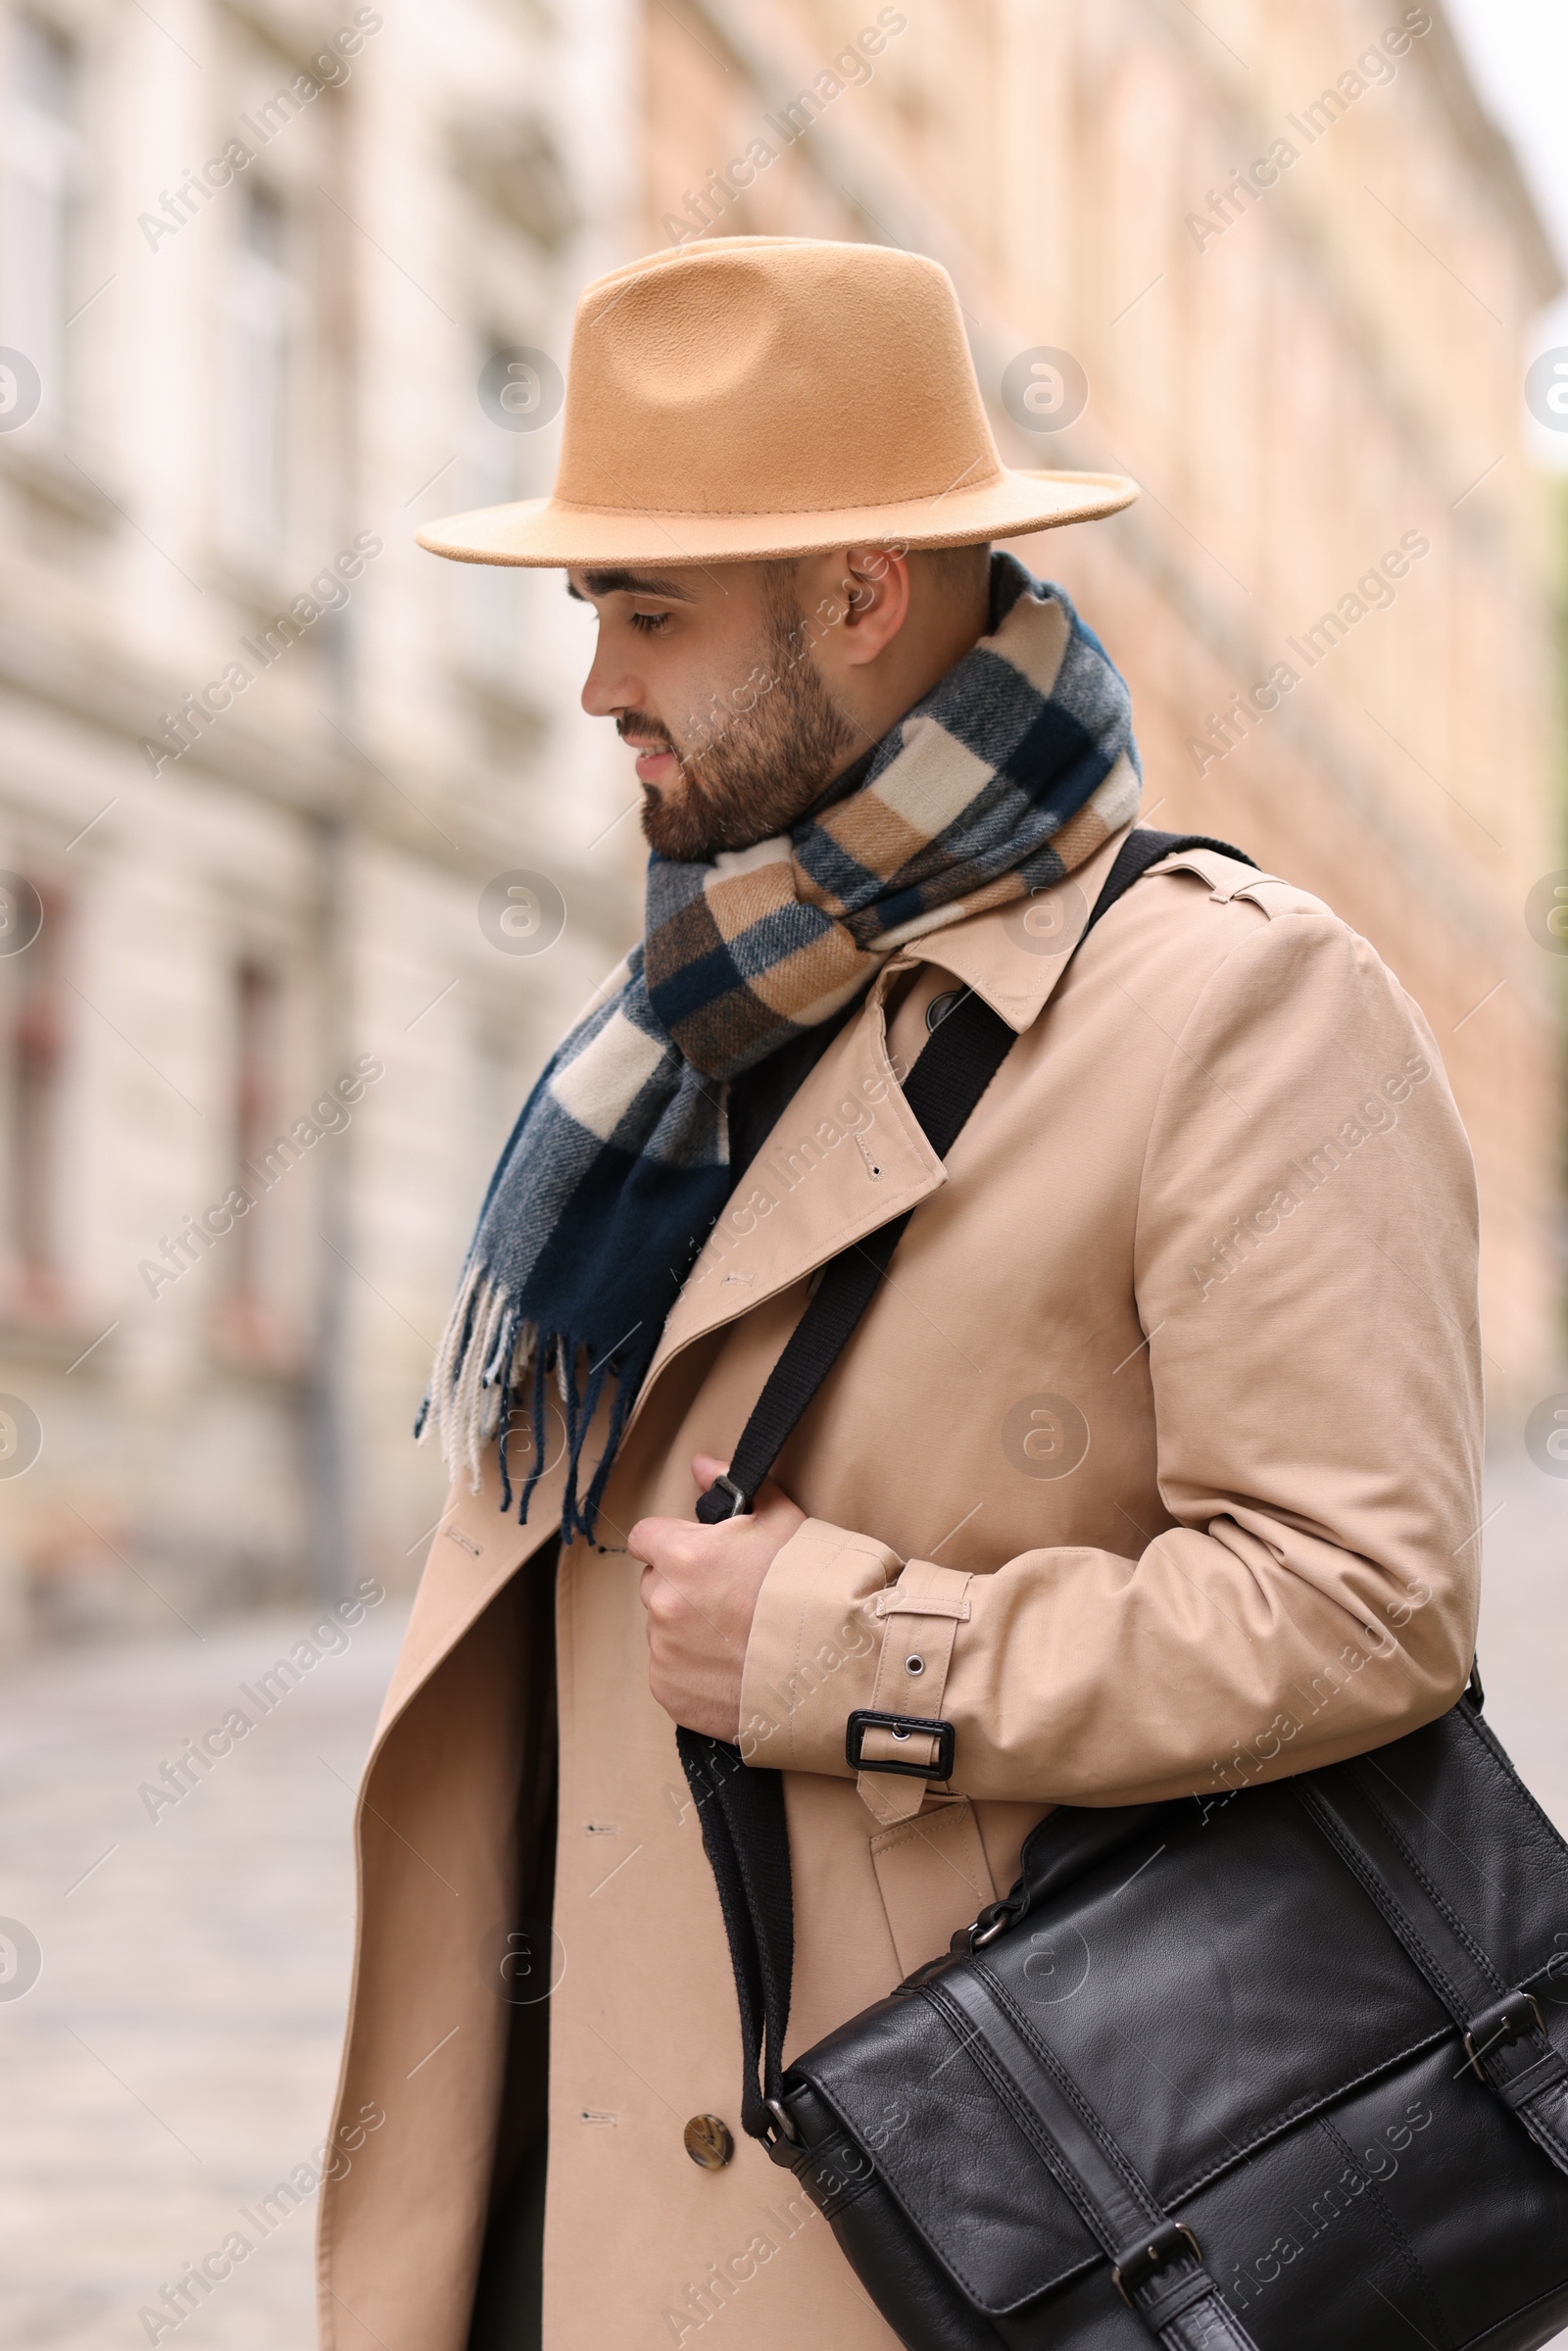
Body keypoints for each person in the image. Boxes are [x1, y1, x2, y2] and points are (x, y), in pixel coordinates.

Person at [316, 236, 1481, 2351]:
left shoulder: (1234, 1008)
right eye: (590, 611)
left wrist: (855, 1648)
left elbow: (1363, 1598)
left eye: (645, 612)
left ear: (858, 598)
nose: (595, 686)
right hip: (543, 2231)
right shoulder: (686, 1025)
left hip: (939, 2243)